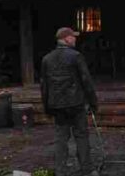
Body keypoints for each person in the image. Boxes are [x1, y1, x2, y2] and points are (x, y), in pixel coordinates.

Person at [40, 27, 99, 176]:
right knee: (81, 136)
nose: (75, 39)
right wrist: (93, 103)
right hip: (76, 104)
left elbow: (44, 86)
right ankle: (87, 170)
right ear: (66, 38)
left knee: (61, 138)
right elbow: (87, 81)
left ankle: (60, 171)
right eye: (73, 37)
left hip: (57, 106)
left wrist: (47, 107)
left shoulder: (47, 59)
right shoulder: (76, 56)